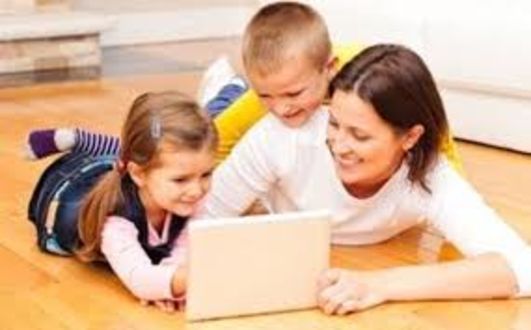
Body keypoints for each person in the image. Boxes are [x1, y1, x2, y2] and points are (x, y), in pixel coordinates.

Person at [314, 44, 531, 315]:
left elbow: (522, 268)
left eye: (360, 135)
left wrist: (380, 284)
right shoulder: (288, 138)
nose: (339, 146)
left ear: (410, 137)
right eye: (333, 123)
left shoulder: (427, 174)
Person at [26, 91, 218, 312]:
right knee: (118, 164)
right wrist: (175, 281)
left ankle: (98, 146)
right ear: (138, 174)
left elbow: (183, 249)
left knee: (136, 157)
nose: (196, 190)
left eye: (206, 174)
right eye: (180, 179)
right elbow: (138, 276)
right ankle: (77, 141)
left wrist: (165, 283)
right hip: (68, 185)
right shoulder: (115, 216)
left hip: (124, 170)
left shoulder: (187, 196)